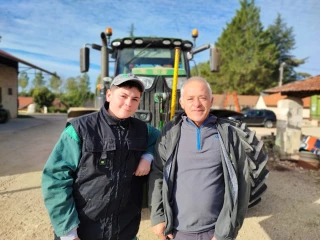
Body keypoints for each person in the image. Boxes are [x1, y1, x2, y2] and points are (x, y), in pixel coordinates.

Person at [42, 73, 160, 240]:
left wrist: (148, 156)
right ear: (109, 95)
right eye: (123, 96)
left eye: (135, 99)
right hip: (83, 231)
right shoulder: (80, 129)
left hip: (124, 231)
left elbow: (162, 140)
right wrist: (68, 231)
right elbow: (55, 179)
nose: (128, 103)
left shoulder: (144, 130)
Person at [148, 76, 250, 240]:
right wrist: (158, 216)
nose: (196, 104)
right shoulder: (169, 133)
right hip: (177, 232)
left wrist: (228, 230)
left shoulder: (228, 134)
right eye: (190, 98)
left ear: (211, 100)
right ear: (182, 103)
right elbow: (158, 174)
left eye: (202, 98)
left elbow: (242, 182)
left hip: (215, 233)